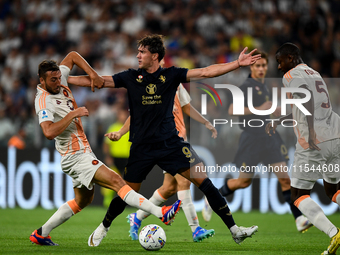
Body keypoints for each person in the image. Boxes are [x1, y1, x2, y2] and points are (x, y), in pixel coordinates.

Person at [69, 34, 261, 247]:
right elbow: (99, 81)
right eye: (138, 51)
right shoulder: (131, 77)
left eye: (142, 52)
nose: (137, 55)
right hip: (142, 148)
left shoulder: (172, 75)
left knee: (204, 181)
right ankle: (103, 227)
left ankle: (235, 231)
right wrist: (64, 80)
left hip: (171, 144)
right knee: (126, 193)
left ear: (155, 55)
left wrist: (237, 63)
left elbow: (205, 72)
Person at [29, 51, 181, 246]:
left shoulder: (60, 79)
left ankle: (41, 233)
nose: (58, 82)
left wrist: (92, 73)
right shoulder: (43, 101)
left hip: (82, 151)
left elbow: (73, 56)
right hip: (75, 155)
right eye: (53, 80)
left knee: (82, 201)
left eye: (59, 77)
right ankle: (160, 212)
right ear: (41, 80)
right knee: (118, 181)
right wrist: (73, 114)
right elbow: (49, 132)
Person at [202, 51, 312, 233]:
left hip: (269, 138)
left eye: (263, 65)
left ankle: (299, 219)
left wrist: (274, 113)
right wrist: (259, 108)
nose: (261, 69)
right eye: (257, 66)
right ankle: (213, 197)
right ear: (251, 67)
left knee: (285, 178)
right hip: (252, 140)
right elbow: (231, 110)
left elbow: (265, 110)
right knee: (243, 182)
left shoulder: (264, 86)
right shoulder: (246, 86)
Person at [265, 42, 340, 254]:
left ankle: (335, 233)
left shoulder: (290, 76)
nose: (279, 67)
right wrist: (280, 119)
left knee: (297, 194)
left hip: (314, 141)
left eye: (280, 62)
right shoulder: (314, 73)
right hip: (335, 135)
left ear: (290, 58)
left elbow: (305, 99)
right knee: (332, 189)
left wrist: (311, 132)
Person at [118, 83, 217, 242]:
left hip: (179, 140)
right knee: (184, 182)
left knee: (169, 188)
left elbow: (186, 106)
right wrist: (122, 132)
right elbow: (137, 115)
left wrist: (205, 122)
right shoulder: (148, 85)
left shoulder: (175, 82)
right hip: (167, 143)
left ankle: (136, 217)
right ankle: (195, 228)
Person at [101, 107, 131, 208]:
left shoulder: (130, 127)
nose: (122, 117)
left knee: (127, 182)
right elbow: (106, 144)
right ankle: (107, 201)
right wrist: (108, 156)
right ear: (117, 115)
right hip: (115, 158)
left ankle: (125, 202)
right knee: (111, 181)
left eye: (124, 115)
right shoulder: (113, 127)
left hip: (127, 158)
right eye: (121, 114)